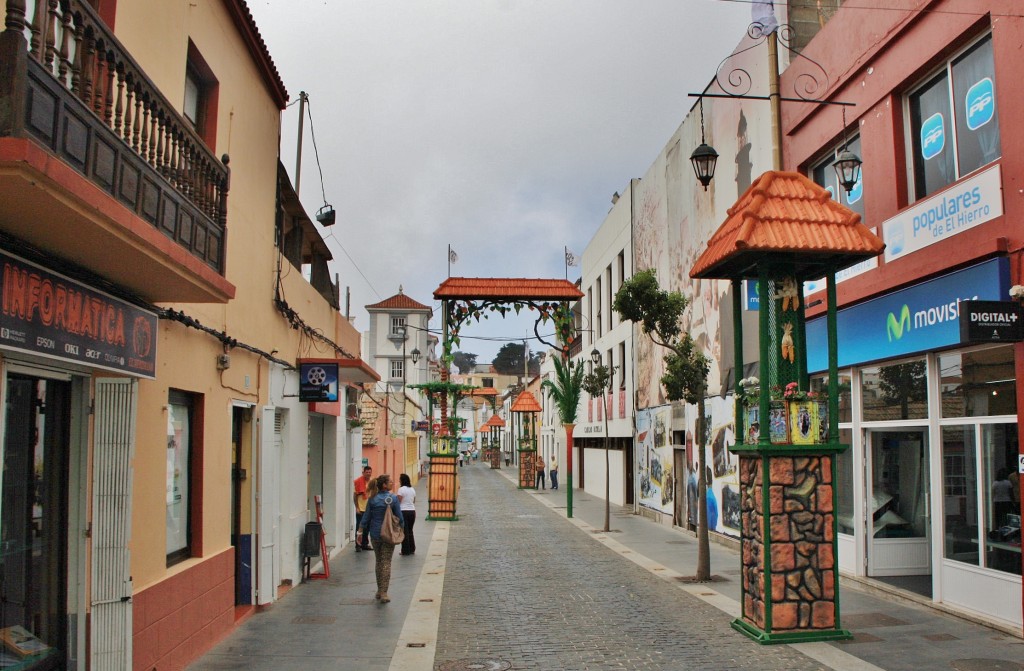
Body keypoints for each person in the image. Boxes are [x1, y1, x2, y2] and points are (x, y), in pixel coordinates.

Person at [357, 474, 404, 603]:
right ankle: (384, 592)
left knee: (379, 561)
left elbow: (366, 517)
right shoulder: (393, 499)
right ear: (384, 485)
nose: (392, 483)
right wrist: (402, 529)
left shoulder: (372, 499)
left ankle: (379, 590)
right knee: (386, 562)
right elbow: (399, 516)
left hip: (375, 534)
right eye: (390, 482)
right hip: (388, 534)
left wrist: (360, 532)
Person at [353, 465, 372, 552]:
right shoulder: (358, 481)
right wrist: (357, 507)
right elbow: (355, 495)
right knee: (359, 527)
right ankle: (358, 545)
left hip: (369, 508)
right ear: (363, 473)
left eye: (369, 472)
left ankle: (364, 544)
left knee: (367, 527)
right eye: (366, 472)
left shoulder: (372, 483)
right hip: (361, 508)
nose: (368, 473)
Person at [397, 473, 417, 556]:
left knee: (404, 531)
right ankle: (412, 548)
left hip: (403, 511)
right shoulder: (412, 489)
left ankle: (405, 550)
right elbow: (413, 501)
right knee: (410, 530)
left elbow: (398, 501)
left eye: (400, 479)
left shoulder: (401, 489)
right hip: (412, 511)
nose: (399, 480)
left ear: (402, 480)